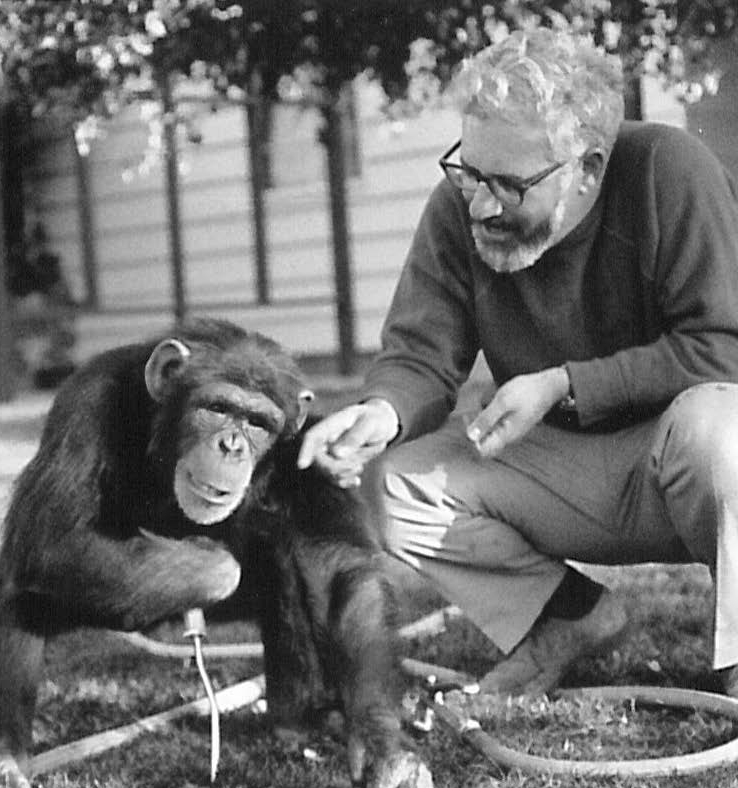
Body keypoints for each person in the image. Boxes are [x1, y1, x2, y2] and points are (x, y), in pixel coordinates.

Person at [298, 27, 738, 697]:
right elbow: (420, 351)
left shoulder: (671, 171)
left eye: (508, 184)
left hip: (686, 461)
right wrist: (379, 413)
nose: (479, 203)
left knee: (722, 429)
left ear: (588, 167)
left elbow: (723, 347)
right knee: (392, 482)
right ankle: (567, 618)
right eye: (469, 172)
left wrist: (565, 385)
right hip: (557, 467)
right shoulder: (459, 207)